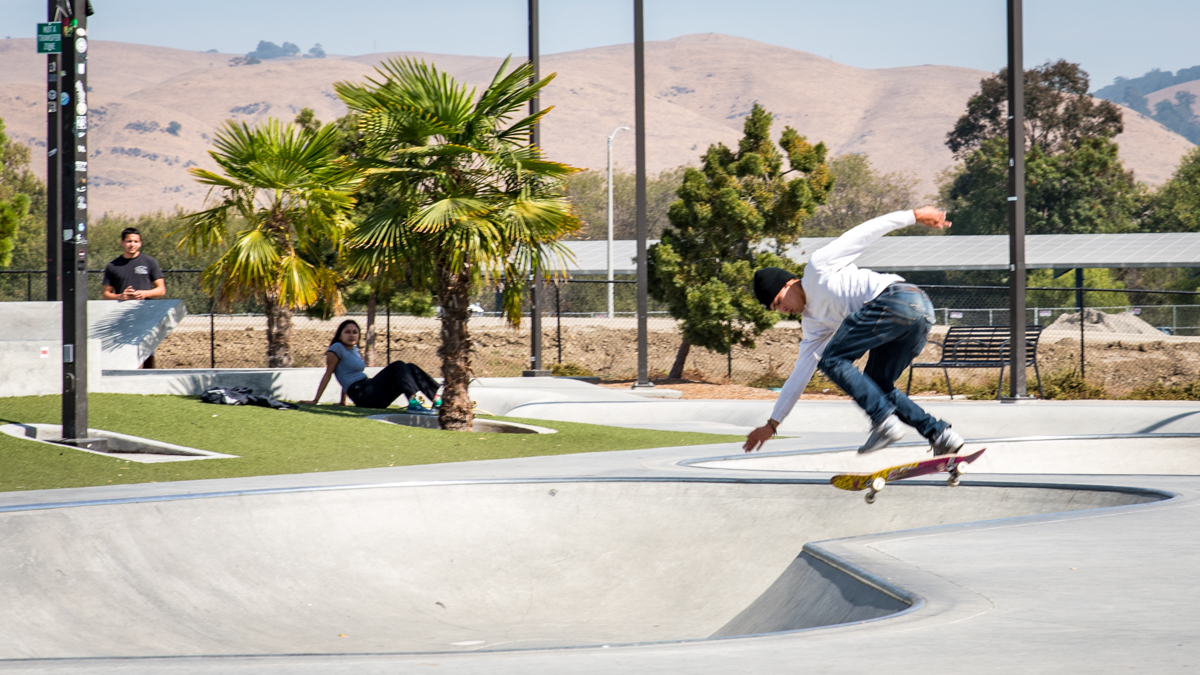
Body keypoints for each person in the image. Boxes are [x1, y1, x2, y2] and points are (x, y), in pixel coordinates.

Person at [743, 207, 964, 457]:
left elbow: (865, 232)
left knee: (832, 359)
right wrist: (772, 424)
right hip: (921, 311)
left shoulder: (818, 268)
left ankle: (883, 421)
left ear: (788, 283)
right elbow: (799, 374)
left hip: (896, 298)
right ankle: (940, 433)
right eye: (777, 310)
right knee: (878, 384)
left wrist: (913, 215)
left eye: (779, 301)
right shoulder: (814, 326)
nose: (783, 310)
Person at [301, 319, 441, 410]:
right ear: (340, 335)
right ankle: (415, 403)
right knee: (398, 365)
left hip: (371, 393)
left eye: (355, 332)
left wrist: (343, 401)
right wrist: (315, 400)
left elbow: (345, 373)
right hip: (362, 394)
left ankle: (438, 399)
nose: (352, 335)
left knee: (408, 367)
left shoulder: (354, 349)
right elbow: (329, 374)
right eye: (347, 332)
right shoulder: (336, 348)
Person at [101, 227, 165, 301]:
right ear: (122, 242)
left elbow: (161, 290)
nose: (132, 244)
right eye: (129, 241)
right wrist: (120, 297)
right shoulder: (112, 266)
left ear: (140, 244)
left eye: (136, 241)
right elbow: (105, 295)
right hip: (120, 310)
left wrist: (144, 294)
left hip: (146, 309)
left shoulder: (150, 262)